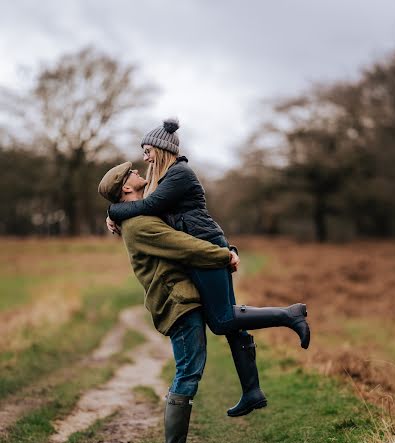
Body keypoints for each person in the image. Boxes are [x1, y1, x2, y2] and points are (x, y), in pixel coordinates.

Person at [104, 119, 311, 418]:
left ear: (161, 149)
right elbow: (139, 204)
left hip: (205, 248)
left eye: (148, 150)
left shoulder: (179, 174)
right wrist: (113, 212)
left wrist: (112, 210)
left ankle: (289, 315)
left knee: (224, 319)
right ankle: (252, 391)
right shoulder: (161, 179)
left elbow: (146, 208)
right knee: (229, 320)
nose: (145, 157)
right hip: (201, 248)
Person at [98, 163, 242, 443]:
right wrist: (224, 254)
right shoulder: (140, 225)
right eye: (133, 173)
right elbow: (185, 246)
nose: (139, 172)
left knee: (190, 366)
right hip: (177, 301)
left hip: (181, 298)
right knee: (189, 368)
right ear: (126, 187)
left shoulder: (137, 217)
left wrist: (112, 215)